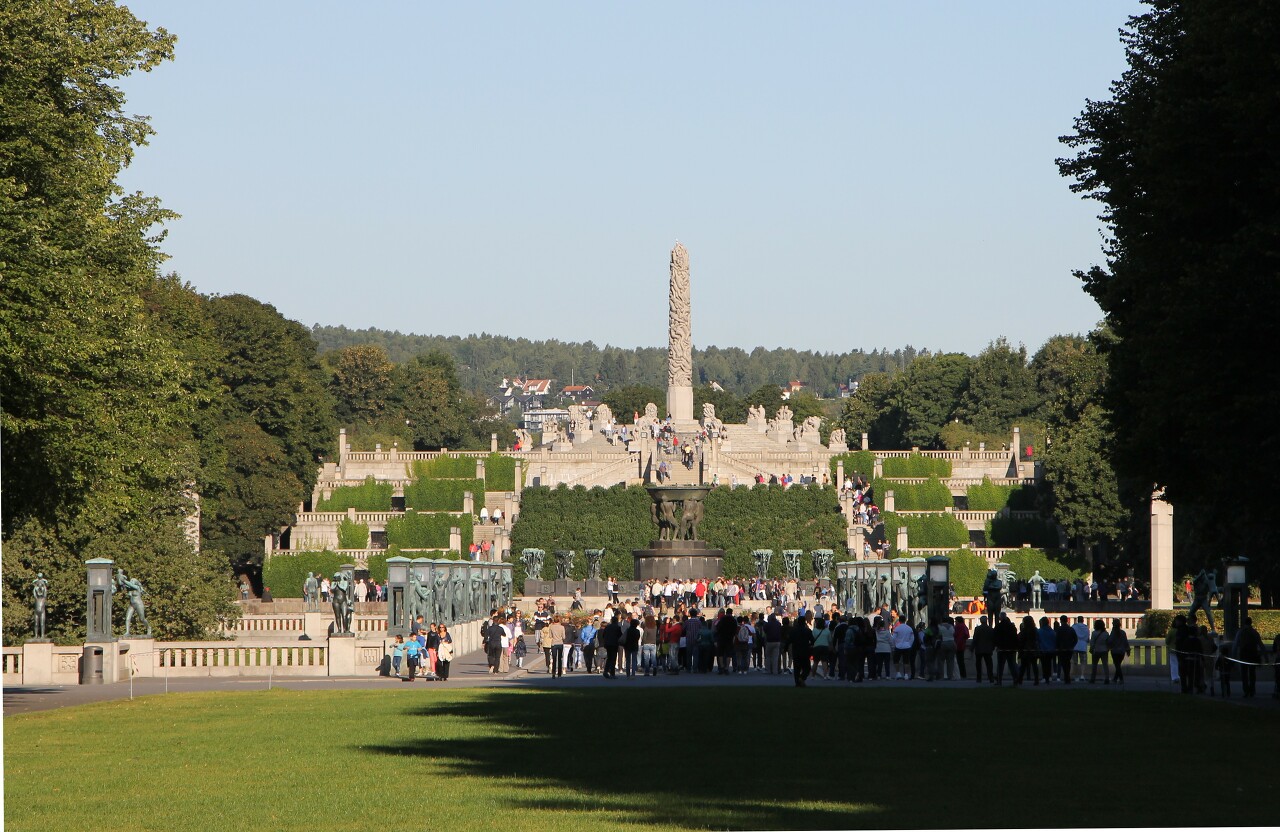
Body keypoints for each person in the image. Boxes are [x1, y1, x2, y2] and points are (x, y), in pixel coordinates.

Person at [1232, 616, 1264, 698]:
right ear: (1251, 623)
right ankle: (1252, 690)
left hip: (1243, 654)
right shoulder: (1254, 632)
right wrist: (1265, 655)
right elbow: (1260, 644)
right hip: (1253, 654)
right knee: (1252, 673)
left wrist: (1233, 655)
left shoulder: (1240, 632)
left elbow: (1235, 645)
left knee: (1244, 673)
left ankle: (1246, 690)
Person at [790, 611, 814, 687]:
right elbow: (812, 640)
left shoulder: (793, 631)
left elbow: (789, 640)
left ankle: (797, 682)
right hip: (805, 650)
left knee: (796, 668)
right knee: (807, 667)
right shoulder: (808, 631)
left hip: (796, 650)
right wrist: (810, 645)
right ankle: (802, 677)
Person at [972, 615, 995, 683]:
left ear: (980, 621)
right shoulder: (990, 629)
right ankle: (991, 677)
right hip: (988, 649)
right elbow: (993, 639)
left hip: (979, 649)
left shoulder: (977, 629)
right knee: (989, 664)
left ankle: (979, 678)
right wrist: (992, 647)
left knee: (978, 664)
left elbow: (975, 639)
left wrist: (972, 647)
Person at [1107, 618, 1130, 684]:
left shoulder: (1113, 632)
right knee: (1118, 665)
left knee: (1117, 666)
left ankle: (1121, 679)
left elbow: (1110, 640)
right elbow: (1126, 642)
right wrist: (1127, 649)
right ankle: (1115, 678)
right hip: (1122, 651)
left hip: (1115, 651)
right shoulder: (1123, 632)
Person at [601, 614, 623, 679]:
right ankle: (612, 673)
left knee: (609, 658)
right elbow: (620, 635)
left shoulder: (607, 627)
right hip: (614, 644)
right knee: (613, 659)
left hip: (608, 644)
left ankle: (606, 671)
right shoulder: (617, 627)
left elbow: (603, 635)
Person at [1089, 619, 1110, 683]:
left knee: (1094, 665)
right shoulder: (1106, 633)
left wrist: (1091, 649)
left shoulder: (1094, 633)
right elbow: (1108, 643)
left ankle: (1093, 679)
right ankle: (1107, 678)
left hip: (1096, 650)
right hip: (1104, 650)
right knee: (1105, 665)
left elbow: (1092, 642)